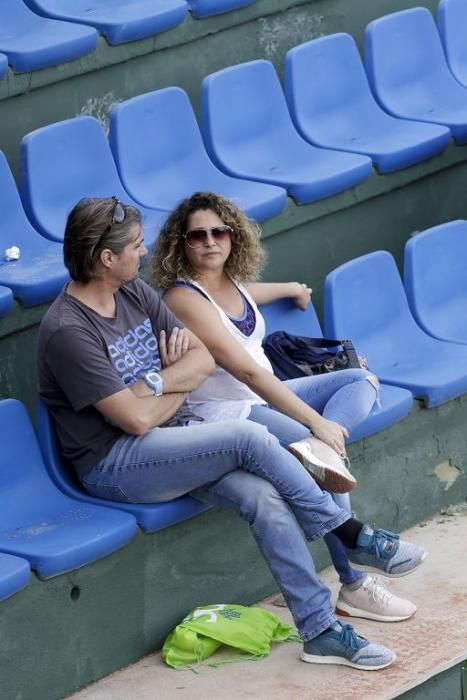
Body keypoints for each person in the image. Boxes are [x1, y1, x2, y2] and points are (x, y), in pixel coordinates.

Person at [38, 196, 426, 671]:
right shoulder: (68, 330)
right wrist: (177, 381)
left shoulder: (132, 292)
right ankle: (349, 533)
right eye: (136, 246)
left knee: (264, 498)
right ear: (106, 258)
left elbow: (200, 362)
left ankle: (320, 630)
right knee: (248, 436)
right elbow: (134, 422)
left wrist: (159, 382)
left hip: (175, 439)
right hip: (115, 462)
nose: (144, 254)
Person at [152, 191, 418, 625]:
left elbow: (247, 294)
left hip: (266, 395)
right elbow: (249, 374)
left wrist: (293, 289)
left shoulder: (232, 284)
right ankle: (352, 581)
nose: (209, 242)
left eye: (218, 231)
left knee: (360, 380)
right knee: (319, 454)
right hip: (229, 411)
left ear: (234, 236)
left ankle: (323, 453)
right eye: (196, 236)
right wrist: (315, 423)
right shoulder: (181, 298)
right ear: (181, 244)